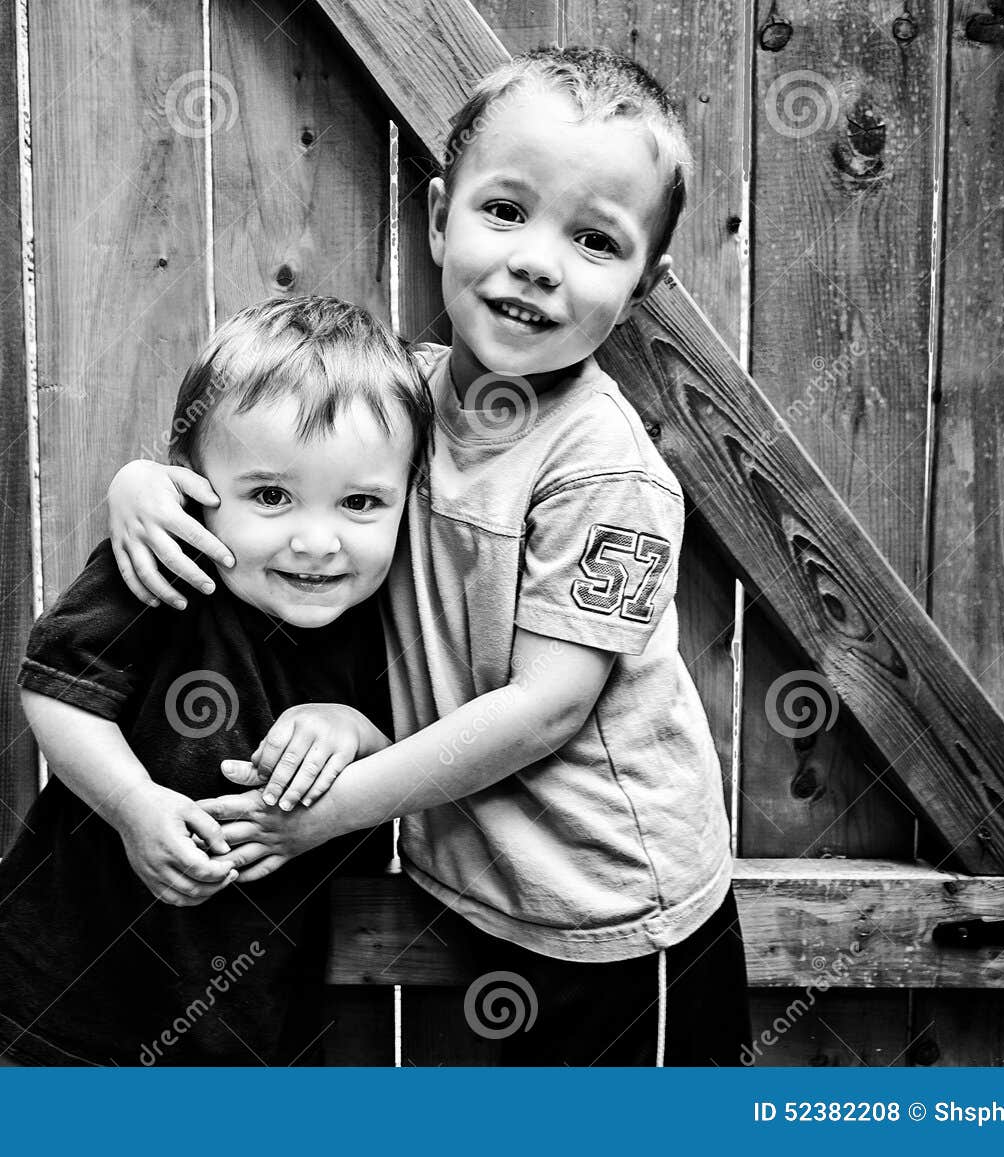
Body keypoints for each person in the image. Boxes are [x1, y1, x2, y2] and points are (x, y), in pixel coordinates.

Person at [107, 46, 751, 1066]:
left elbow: (543, 705)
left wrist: (314, 819)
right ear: (441, 214)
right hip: (479, 885)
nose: (538, 259)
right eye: (506, 211)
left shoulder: (602, 468)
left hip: (617, 903)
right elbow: (246, 463)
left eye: (593, 239)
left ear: (644, 284)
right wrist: (139, 484)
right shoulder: (398, 396)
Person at [0, 295, 431, 1065]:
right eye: (270, 495)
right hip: (58, 992)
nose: (319, 540)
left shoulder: (393, 611)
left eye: (360, 502)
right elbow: (56, 687)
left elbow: (410, 746)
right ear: (193, 486)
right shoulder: (169, 570)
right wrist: (133, 805)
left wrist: (350, 728)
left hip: (250, 1018)